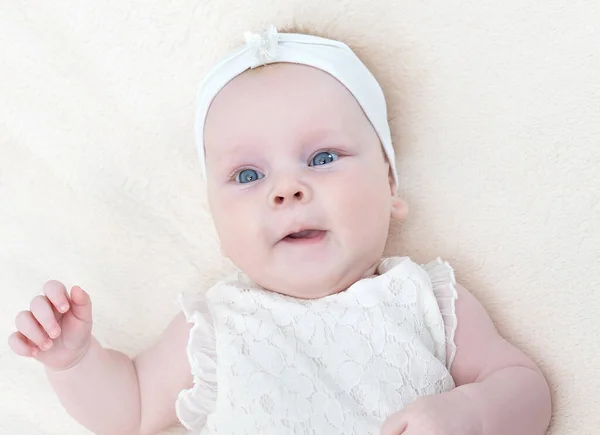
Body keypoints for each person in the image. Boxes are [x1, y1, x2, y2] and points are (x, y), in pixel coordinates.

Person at [8, 25, 551, 435]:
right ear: (216, 220)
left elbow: (525, 386)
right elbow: (128, 408)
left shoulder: (423, 297)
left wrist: (474, 414)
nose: (286, 190)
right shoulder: (217, 323)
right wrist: (76, 361)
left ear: (389, 184)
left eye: (321, 157)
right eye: (248, 175)